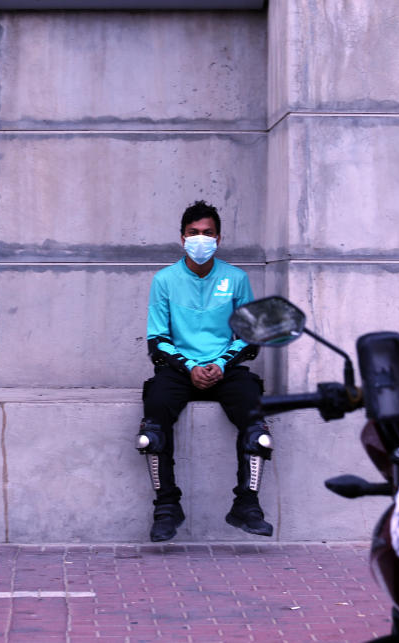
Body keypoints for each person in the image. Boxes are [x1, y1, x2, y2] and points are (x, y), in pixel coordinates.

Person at [138, 200, 272, 542]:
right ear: (182, 238)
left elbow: (248, 336)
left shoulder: (236, 278)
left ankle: (247, 504)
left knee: (257, 426)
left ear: (219, 238)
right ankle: (166, 507)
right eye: (194, 233)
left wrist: (220, 364)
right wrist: (191, 367)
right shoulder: (164, 280)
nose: (201, 239)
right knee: (152, 427)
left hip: (224, 368)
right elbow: (157, 339)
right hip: (180, 369)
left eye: (207, 233)